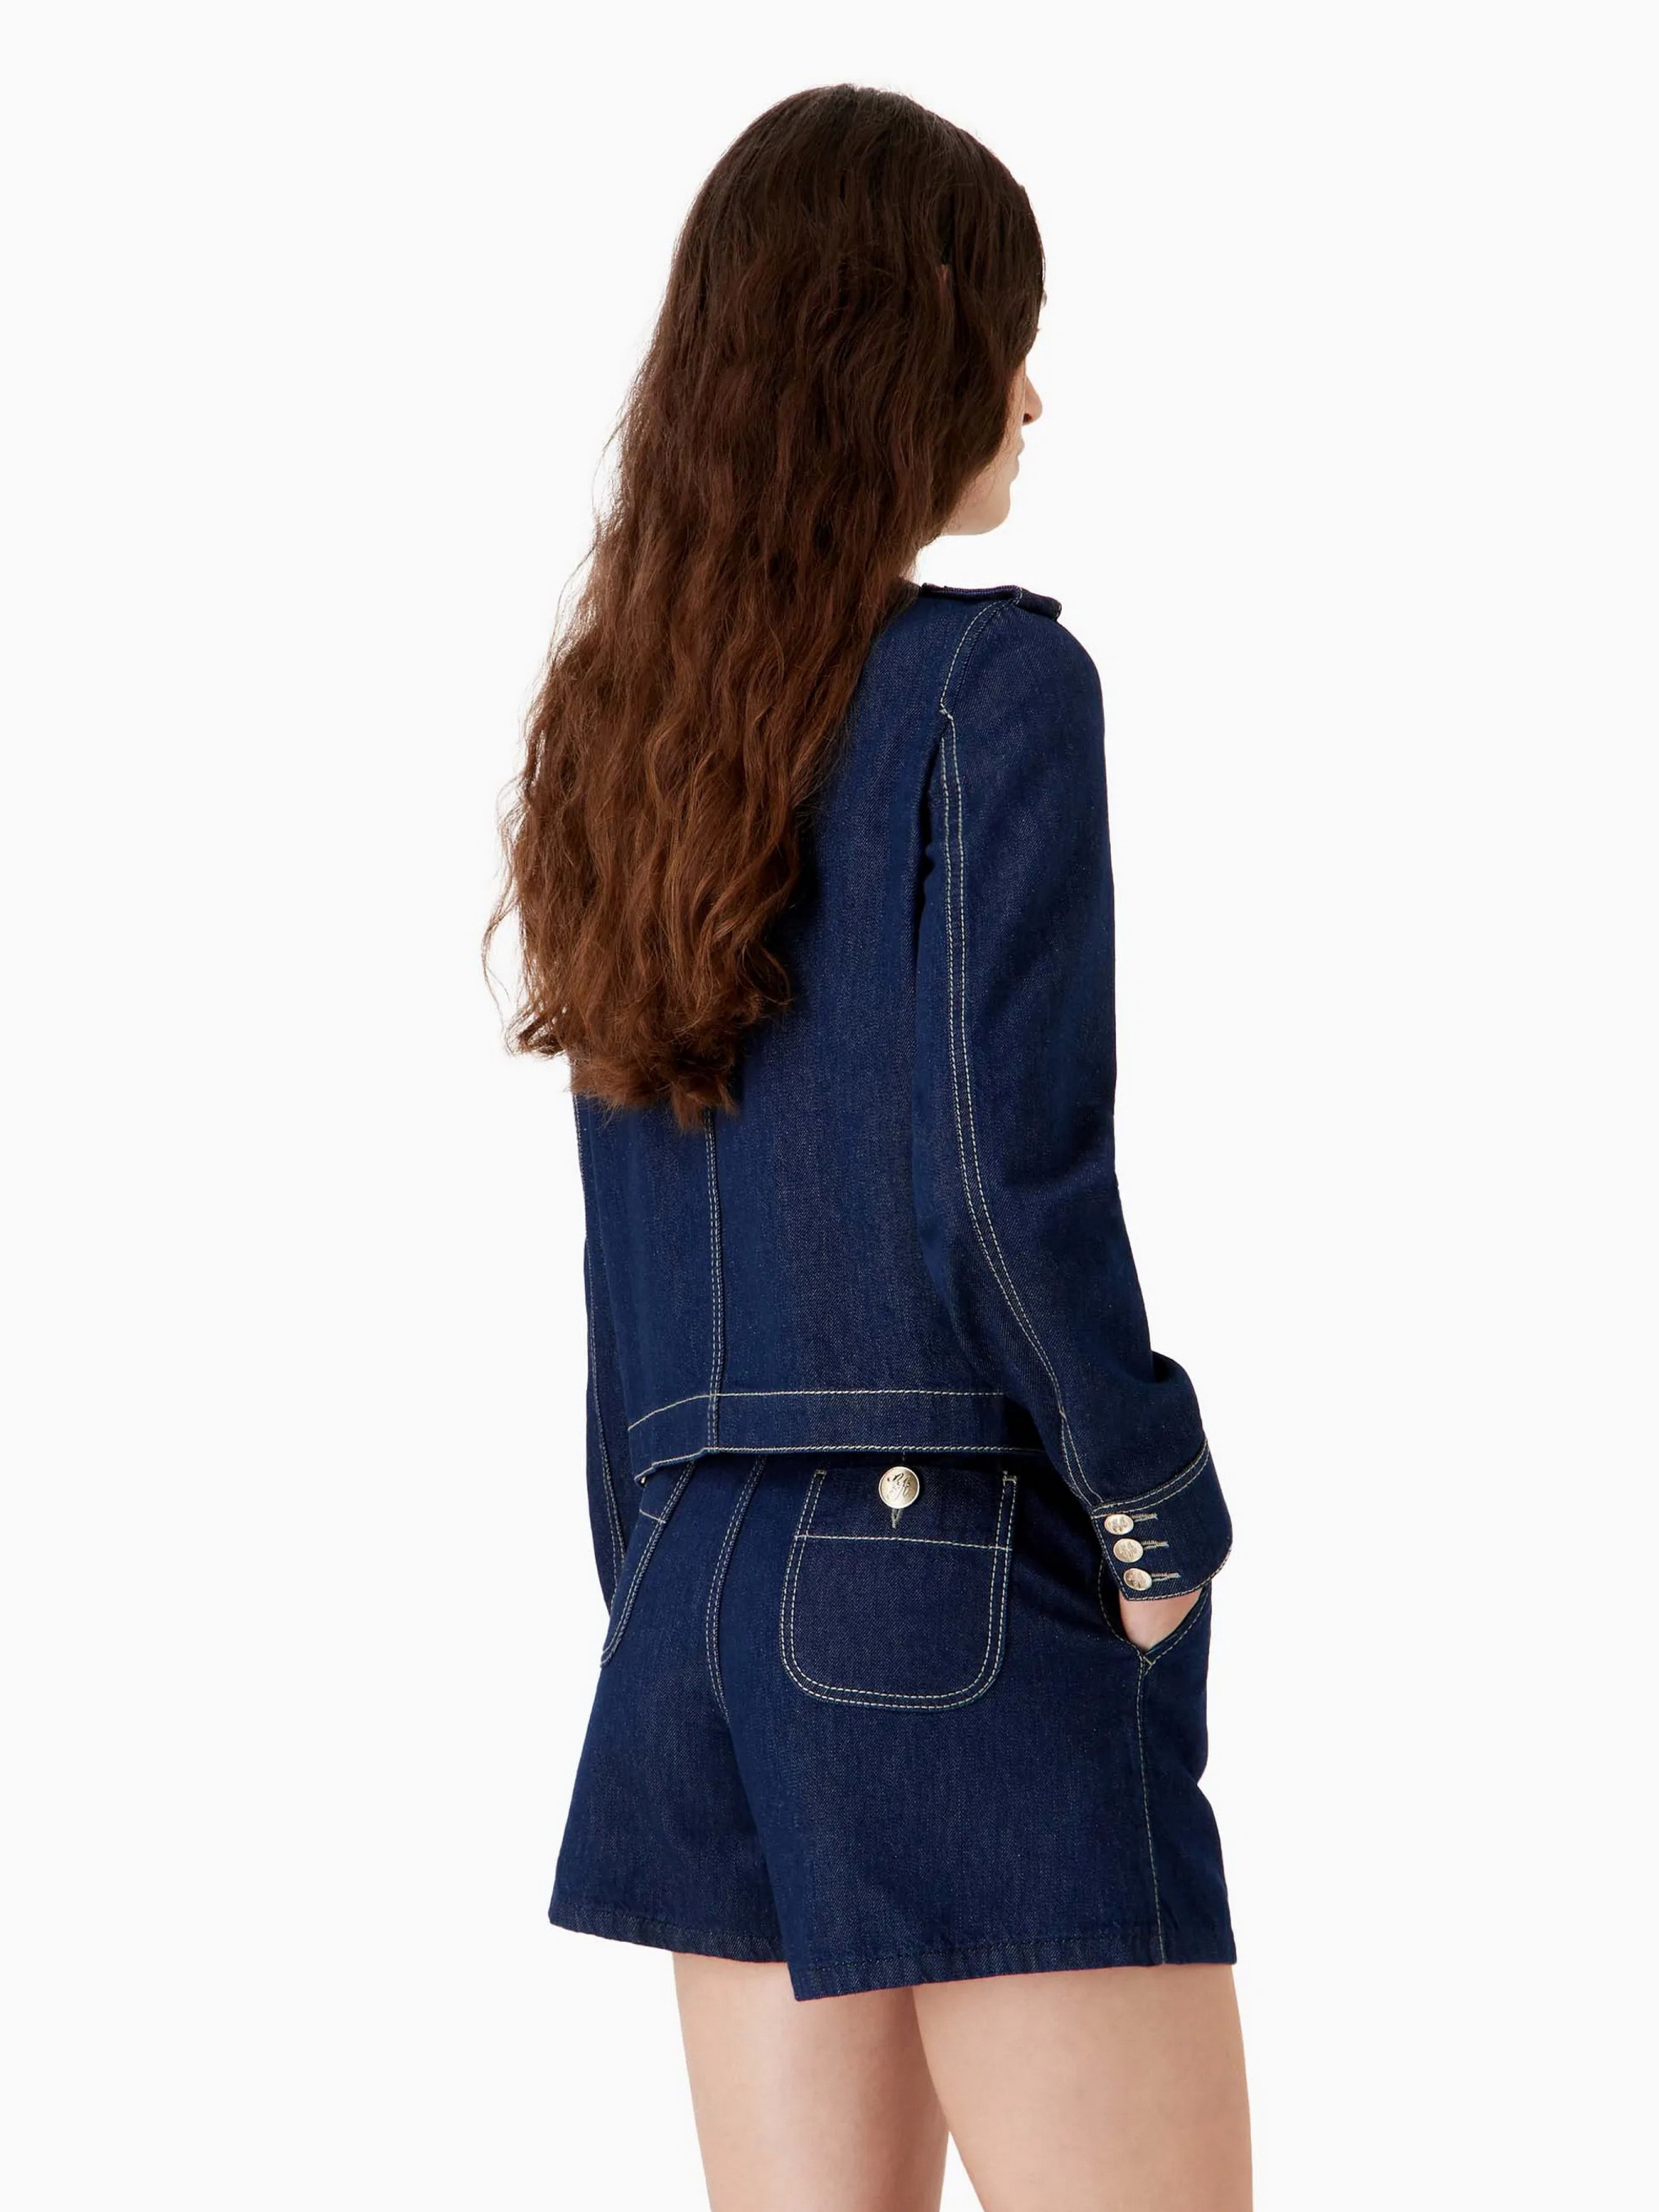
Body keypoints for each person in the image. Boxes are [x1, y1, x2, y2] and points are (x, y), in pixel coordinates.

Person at [494, 83, 1251, 2212]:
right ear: (904, 346)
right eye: (1008, 333)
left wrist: (663, 1588)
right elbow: (1004, 1182)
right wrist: (1154, 1511)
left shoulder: (622, 737)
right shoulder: (991, 692)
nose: (1033, 392)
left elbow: (621, 1270)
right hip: (954, 1593)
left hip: (695, 1614)